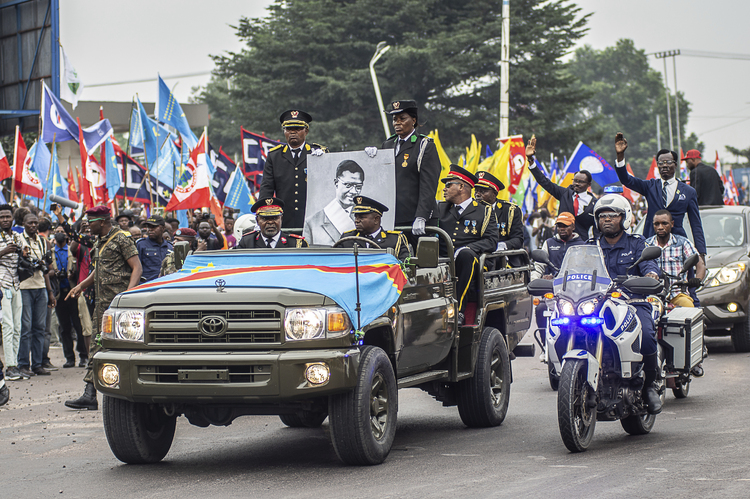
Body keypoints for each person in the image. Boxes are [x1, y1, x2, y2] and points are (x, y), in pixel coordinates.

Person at [64, 205, 142, 411]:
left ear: (102, 221)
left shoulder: (121, 239)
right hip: (102, 305)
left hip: (118, 306)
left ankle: (130, 392)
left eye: (90, 222)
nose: (87, 226)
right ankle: (90, 394)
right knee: (97, 346)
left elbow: (137, 267)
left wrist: (127, 296)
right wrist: (81, 286)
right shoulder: (101, 241)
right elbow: (99, 270)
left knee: (122, 348)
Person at [591, 194, 662, 414]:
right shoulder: (590, 246)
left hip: (632, 302)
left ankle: (650, 384)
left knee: (648, 335)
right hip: (597, 304)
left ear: (625, 218)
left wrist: (650, 274)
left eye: (613, 215)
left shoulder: (637, 243)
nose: (607, 220)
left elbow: (650, 265)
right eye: (602, 216)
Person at [614, 132, 707, 258]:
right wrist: (620, 155)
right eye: (661, 163)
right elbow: (626, 180)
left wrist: (701, 253)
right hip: (651, 244)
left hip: (678, 247)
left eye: (668, 162)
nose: (664, 166)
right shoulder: (650, 186)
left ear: (675, 164)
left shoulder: (688, 192)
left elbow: (695, 224)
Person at [647, 209, 707, 377]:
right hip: (652, 297)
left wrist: (697, 279)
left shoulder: (682, 243)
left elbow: (699, 263)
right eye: (657, 224)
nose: (660, 227)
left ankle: (695, 358)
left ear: (672, 224)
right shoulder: (647, 244)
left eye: (664, 223)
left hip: (676, 293)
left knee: (691, 311)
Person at [437, 165, 498, 325]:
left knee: (466, 256)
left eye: (449, 185)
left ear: (462, 187)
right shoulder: (439, 208)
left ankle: (458, 310)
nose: (444, 189)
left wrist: (468, 248)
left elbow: (492, 241)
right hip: (442, 259)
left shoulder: (484, 211)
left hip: (470, 261)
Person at [379, 100, 440, 240]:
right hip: (393, 215)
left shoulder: (424, 145)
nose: (397, 123)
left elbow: (428, 185)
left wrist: (421, 216)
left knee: (419, 260)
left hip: (417, 218)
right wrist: (371, 159)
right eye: (394, 119)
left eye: (402, 119)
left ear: (413, 120)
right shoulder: (388, 144)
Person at [259, 110, 328, 229]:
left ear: (306, 131)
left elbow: (327, 187)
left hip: (313, 219)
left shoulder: (317, 153)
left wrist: (324, 160)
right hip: (284, 221)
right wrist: (263, 216)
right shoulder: (275, 156)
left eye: (297, 128)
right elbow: (266, 189)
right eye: (288, 129)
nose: (292, 132)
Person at [526, 135, 596, 240]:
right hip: (560, 242)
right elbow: (545, 182)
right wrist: (531, 161)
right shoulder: (564, 194)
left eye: (580, 182)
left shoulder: (594, 203)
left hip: (582, 245)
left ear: (588, 184)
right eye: (575, 180)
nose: (576, 184)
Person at [531, 212, 587, 342]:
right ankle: (545, 345)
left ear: (573, 226)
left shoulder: (582, 245)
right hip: (554, 291)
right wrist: (535, 281)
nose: (562, 228)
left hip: (576, 292)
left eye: (565, 226)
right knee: (541, 308)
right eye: (559, 225)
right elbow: (539, 266)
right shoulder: (549, 243)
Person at [17, 213, 57, 377]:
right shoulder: (18, 239)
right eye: (30, 223)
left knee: (40, 328)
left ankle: (38, 364)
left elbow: (46, 269)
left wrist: (50, 292)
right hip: (25, 287)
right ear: (24, 224)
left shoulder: (42, 241)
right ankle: (23, 364)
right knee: (26, 328)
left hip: (40, 287)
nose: (33, 225)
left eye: (35, 223)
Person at [303, 160, 363, 246]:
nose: (353, 191)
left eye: (358, 187)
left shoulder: (367, 217)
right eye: (348, 185)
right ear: (336, 183)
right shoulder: (313, 222)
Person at [473, 170, 524, 266]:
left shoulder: (510, 210)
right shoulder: (472, 209)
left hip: (503, 257)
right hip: (478, 254)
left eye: (483, 191)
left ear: (494, 194)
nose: (478, 194)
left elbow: (518, 239)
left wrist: (503, 245)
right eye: (476, 191)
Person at [337, 196, 410, 260]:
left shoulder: (395, 240)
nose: (356, 221)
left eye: (361, 217)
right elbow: (335, 263)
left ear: (376, 219)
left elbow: (404, 265)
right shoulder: (347, 239)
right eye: (356, 217)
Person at [53, 231, 86, 368]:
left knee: (79, 325)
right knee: (64, 327)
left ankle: (83, 355)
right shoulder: (50, 252)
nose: (60, 234)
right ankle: (69, 358)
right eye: (57, 232)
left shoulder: (72, 250)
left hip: (74, 292)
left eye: (62, 232)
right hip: (59, 295)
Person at [0, 204, 25, 381]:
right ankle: (9, 366)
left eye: (8, 217)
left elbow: (28, 254)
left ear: (13, 218)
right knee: (8, 326)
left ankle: (14, 364)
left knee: (17, 327)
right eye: (2, 217)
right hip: (2, 284)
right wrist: (3, 251)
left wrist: (25, 252)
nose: (5, 220)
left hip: (17, 284)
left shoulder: (17, 236)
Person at [237, 198, 309, 249]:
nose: (270, 222)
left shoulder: (296, 244)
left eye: (275, 218)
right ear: (257, 220)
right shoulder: (247, 242)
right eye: (265, 219)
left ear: (281, 219)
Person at [137, 215, 173, 282]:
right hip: (148, 285)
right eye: (148, 227)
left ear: (163, 228)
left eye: (154, 227)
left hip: (167, 284)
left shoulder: (169, 246)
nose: (150, 229)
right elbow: (135, 268)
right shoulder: (141, 245)